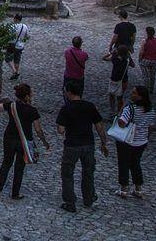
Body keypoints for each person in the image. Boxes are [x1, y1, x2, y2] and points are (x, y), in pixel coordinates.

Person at [0, 83, 52, 200]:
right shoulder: (33, 111)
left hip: (9, 137)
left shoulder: (11, 105)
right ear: (27, 96)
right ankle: (15, 193)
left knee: (6, 163)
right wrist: (44, 142)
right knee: (20, 166)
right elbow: (38, 130)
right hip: (24, 141)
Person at [57, 79, 108, 213]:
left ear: (69, 92)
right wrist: (103, 142)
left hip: (72, 145)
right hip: (88, 144)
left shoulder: (66, 108)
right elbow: (99, 127)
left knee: (67, 173)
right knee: (88, 172)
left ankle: (70, 202)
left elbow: (61, 130)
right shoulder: (90, 106)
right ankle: (88, 198)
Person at [113, 86, 156, 199]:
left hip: (127, 141)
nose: (131, 94)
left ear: (140, 96)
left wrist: (120, 112)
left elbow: (122, 123)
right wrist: (146, 137)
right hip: (141, 141)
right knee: (135, 164)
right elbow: (151, 127)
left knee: (123, 163)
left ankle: (123, 188)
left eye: (134, 93)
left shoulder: (130, 108)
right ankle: (138, 188)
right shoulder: (150, 110)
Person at [103, 44, 135, 115]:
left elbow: (104, 58)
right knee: (120, 97)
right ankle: (119, 113)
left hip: (114, 79)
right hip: (124, 80)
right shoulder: (127, 59)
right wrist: (128, 57)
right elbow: (133, 65)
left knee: (111, 96)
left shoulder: (115, 59)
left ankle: (112, 111)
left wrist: (111, 52)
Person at [138, 27, 156, 94]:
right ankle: (151, 89)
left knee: (145, 75)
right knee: (152, 75)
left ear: (147, 33)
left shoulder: (144, 41)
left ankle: (146, 90)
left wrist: (140, 59)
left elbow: (141, 52)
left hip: (147, 60)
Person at [5, 14, 30, 80]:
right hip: (20, 46)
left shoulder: (12, 26)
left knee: (8, 58)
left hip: (12, 45)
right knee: (17, 60)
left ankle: (15, 71)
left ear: (15, 19)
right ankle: (15, 75)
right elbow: (27, 36)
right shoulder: (24, 26)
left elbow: (8, 36)